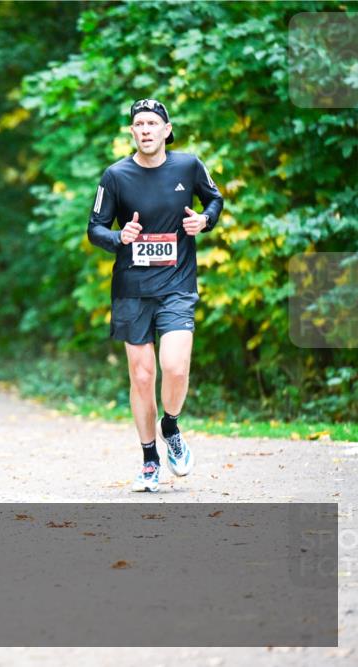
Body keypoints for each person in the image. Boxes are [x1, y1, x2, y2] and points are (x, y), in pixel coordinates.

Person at [87, 98, 223, 493]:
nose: (145, 129)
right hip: (132, 290)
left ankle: (171, 426)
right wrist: (119, 237)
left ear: (166, 129)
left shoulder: (188, 166)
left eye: (152, 123)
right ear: (132, 132)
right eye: (139, 124)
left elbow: (214, 199)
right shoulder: (115, 176)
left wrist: (205, 220)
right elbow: (95, 228)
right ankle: (149, 460)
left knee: (175, 367)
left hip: (177, 284)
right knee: (142, 376)